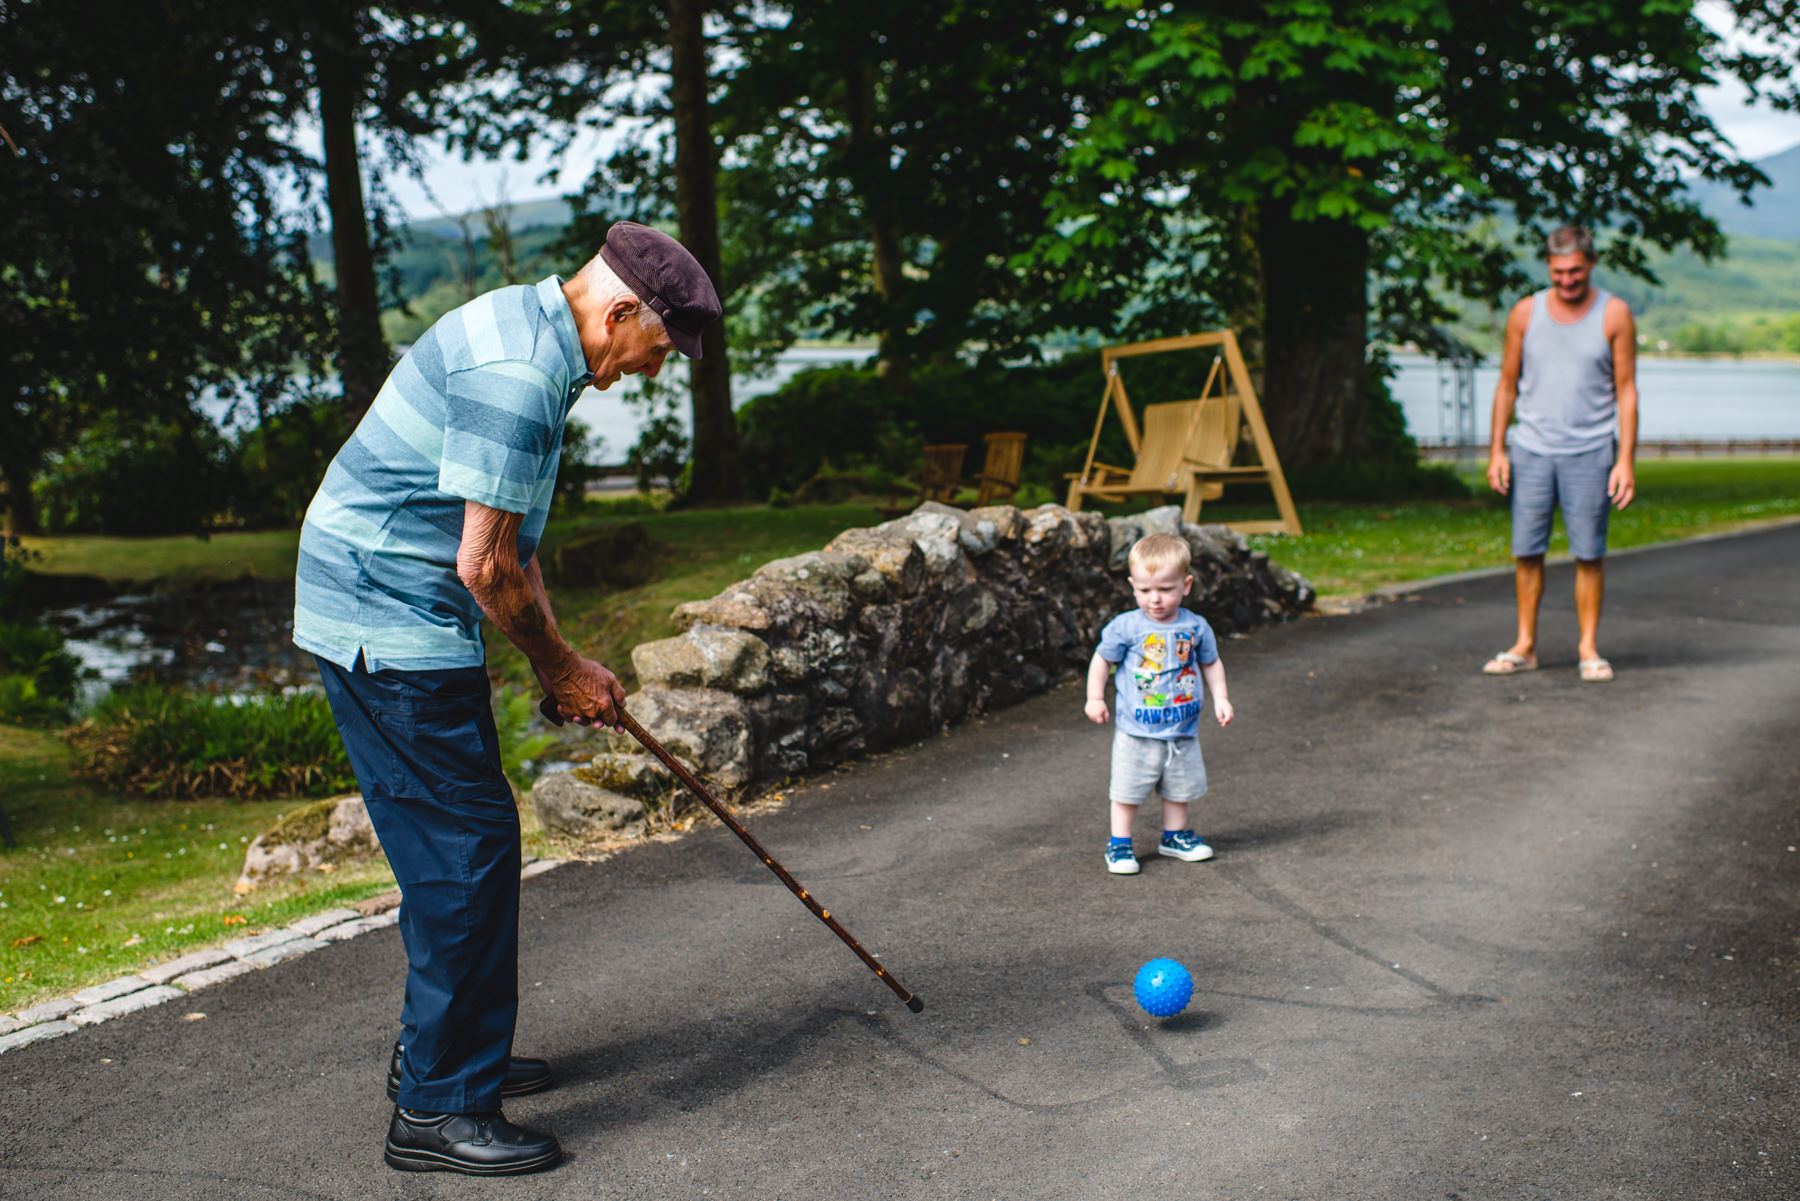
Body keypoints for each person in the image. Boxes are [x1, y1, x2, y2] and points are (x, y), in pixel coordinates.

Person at [293, 222, 722, 1176]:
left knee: (465, 844)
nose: (656, 373)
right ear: (618, 313)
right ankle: (439, 1107)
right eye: (659, 350)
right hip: (382, 612)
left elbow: (514, 545)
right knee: (464, 853)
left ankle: (449, 1056)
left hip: (397, 602)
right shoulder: (521, 377)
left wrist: (560, 660)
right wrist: (562, 668)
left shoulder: (541, 345)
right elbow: (483, 567)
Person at [1484, 223, 1639, 682]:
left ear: (1590, 263)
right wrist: (1497, 450)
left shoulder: (1614, 315)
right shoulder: (1525, 313)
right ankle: (1525, 645)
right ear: (1548, 268)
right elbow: (1507, 385)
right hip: (1531, 449)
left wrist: (1625, 459)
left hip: (1590, 451)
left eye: (1574, 271)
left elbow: (1627, 391)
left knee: (1588, 553)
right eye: (1558, 273)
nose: (1567, 281)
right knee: (1526, 551)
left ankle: (1588, 647)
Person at [1084, 533, 1234, 875]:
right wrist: (1095, 697)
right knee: (1126, 788)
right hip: (1137, 731)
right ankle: (1119, 842)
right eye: (1145, 590)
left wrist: (1221, 698)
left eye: (1166, 589)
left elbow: (1211, 663)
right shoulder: (1126, 626)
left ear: (1186, 585)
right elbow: (1102, 661)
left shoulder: (1196, 626)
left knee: (1179, 787)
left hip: (1182, 729)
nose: (1155, 599)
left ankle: (1174, 836)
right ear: (1132, 585)